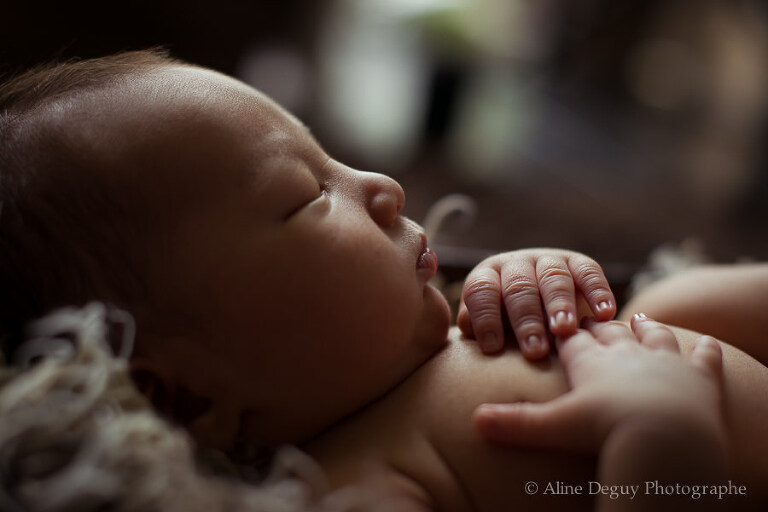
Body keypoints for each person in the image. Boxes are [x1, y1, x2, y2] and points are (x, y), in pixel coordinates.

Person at [1, 51, 766, 511]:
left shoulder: (432, 344)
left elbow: (586, 314)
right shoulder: (359, 484)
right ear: (185, 396)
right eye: (307, 195)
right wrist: (662, 445)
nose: (383, 184)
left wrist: (536, 281)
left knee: (675, 300)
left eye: (333, 154)